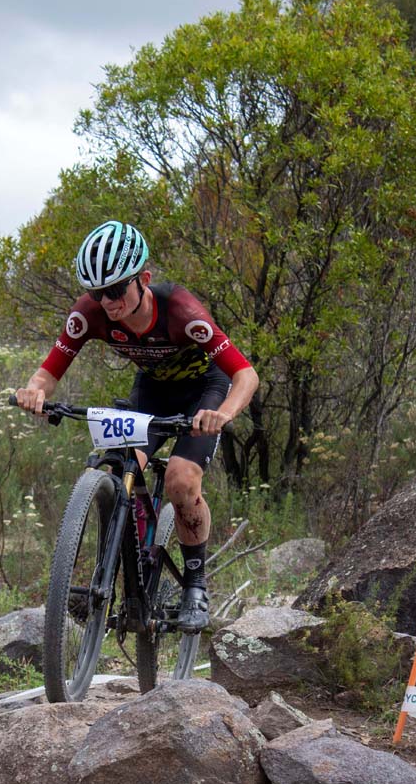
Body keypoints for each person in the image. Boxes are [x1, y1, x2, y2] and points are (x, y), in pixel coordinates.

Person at [15, 220, 259, 632]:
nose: (107, 302)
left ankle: (195, 585)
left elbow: (245, 374)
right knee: (118, 470)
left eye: (115, 290)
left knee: (181, 480)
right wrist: (33, 392)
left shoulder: (182, 311)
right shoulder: (89, 313)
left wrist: (224, 413)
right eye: (98, 293)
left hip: (204, 392)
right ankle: (130, 565)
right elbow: (47, 373)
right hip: (153, 391)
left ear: (143, 280)